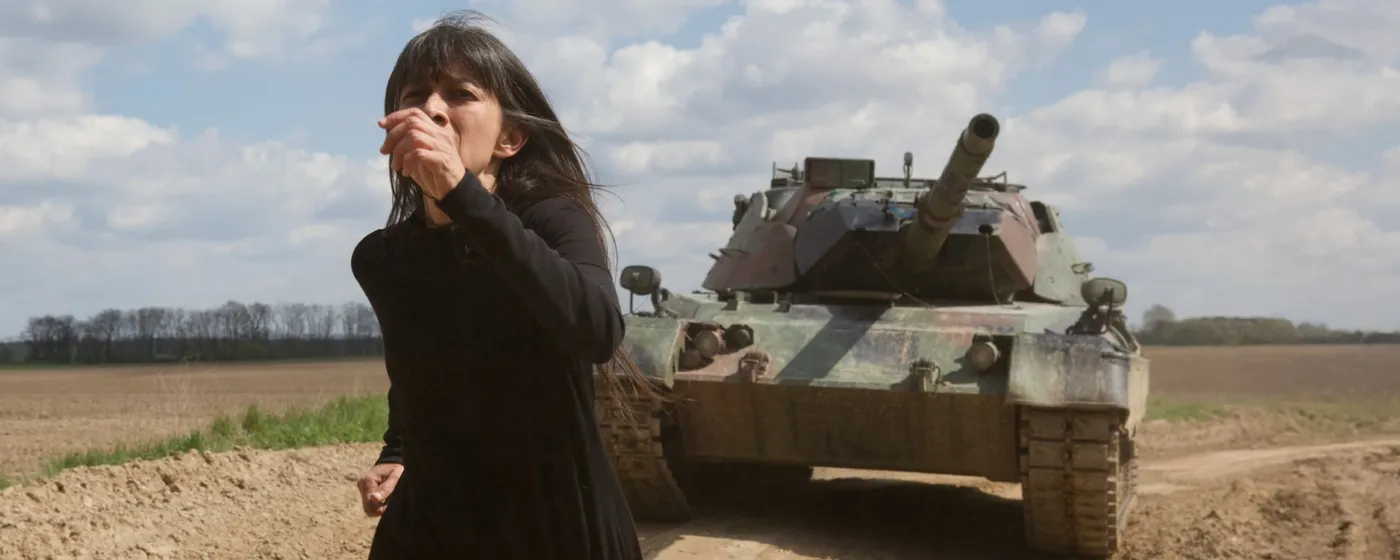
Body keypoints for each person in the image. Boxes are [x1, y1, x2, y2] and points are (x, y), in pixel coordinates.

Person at [350, 11, 648, 559]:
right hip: (434, 527)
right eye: (414, 96)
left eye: (460, 94)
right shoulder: (383, 259)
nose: (431, 109)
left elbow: (597, 331)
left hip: (556, 527)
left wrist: (463, 197)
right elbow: (420, 374)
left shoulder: (554, 219)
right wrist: (397, 452)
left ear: (510, 137)